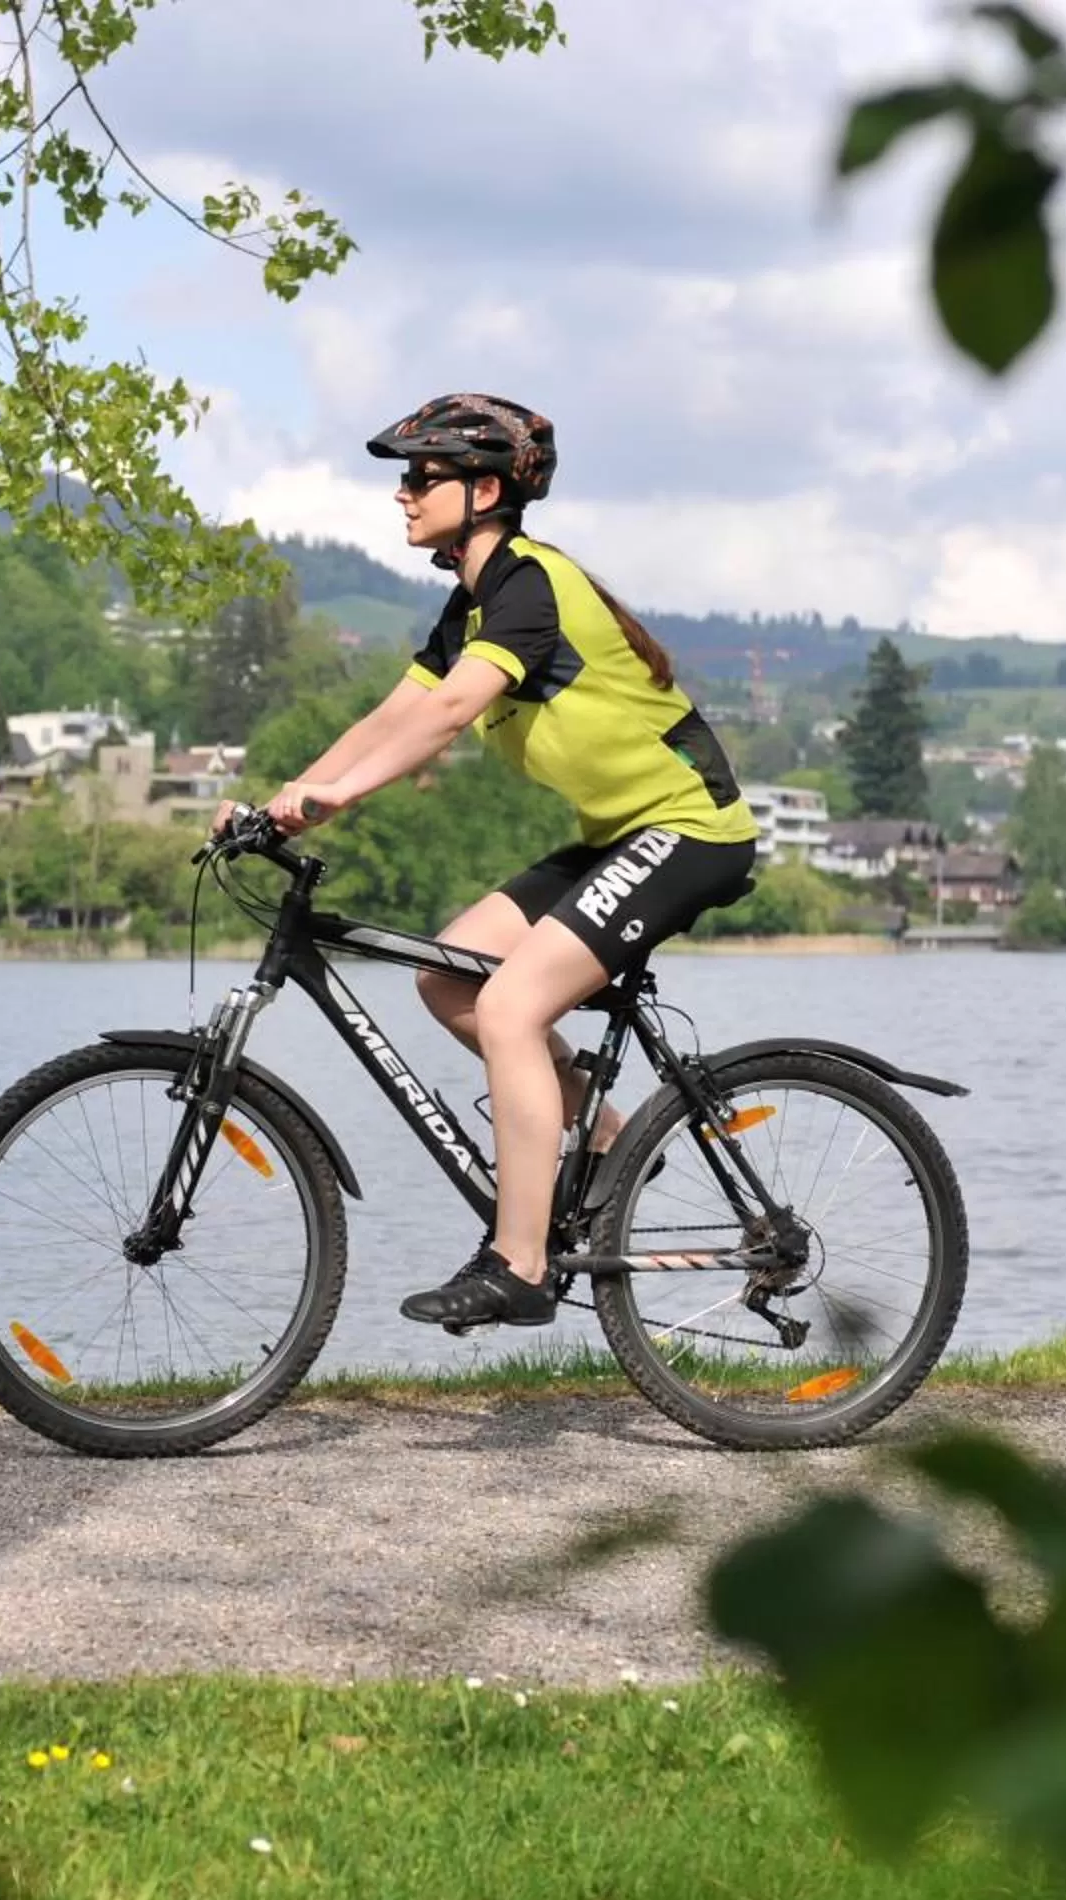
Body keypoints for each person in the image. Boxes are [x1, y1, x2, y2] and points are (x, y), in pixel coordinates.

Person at [221, 393, 761, 1328]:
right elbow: (393, 713)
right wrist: (283, 803)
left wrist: (337, 800)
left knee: (511, 1004)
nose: (401, 493)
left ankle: (518, 1265)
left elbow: (448, 713)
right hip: (619, 839)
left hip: (691, 832)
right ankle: (607, 1138)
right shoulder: (471, 605)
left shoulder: (528, 584)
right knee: (449, 977)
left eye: (419, 476)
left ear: (482, 490)